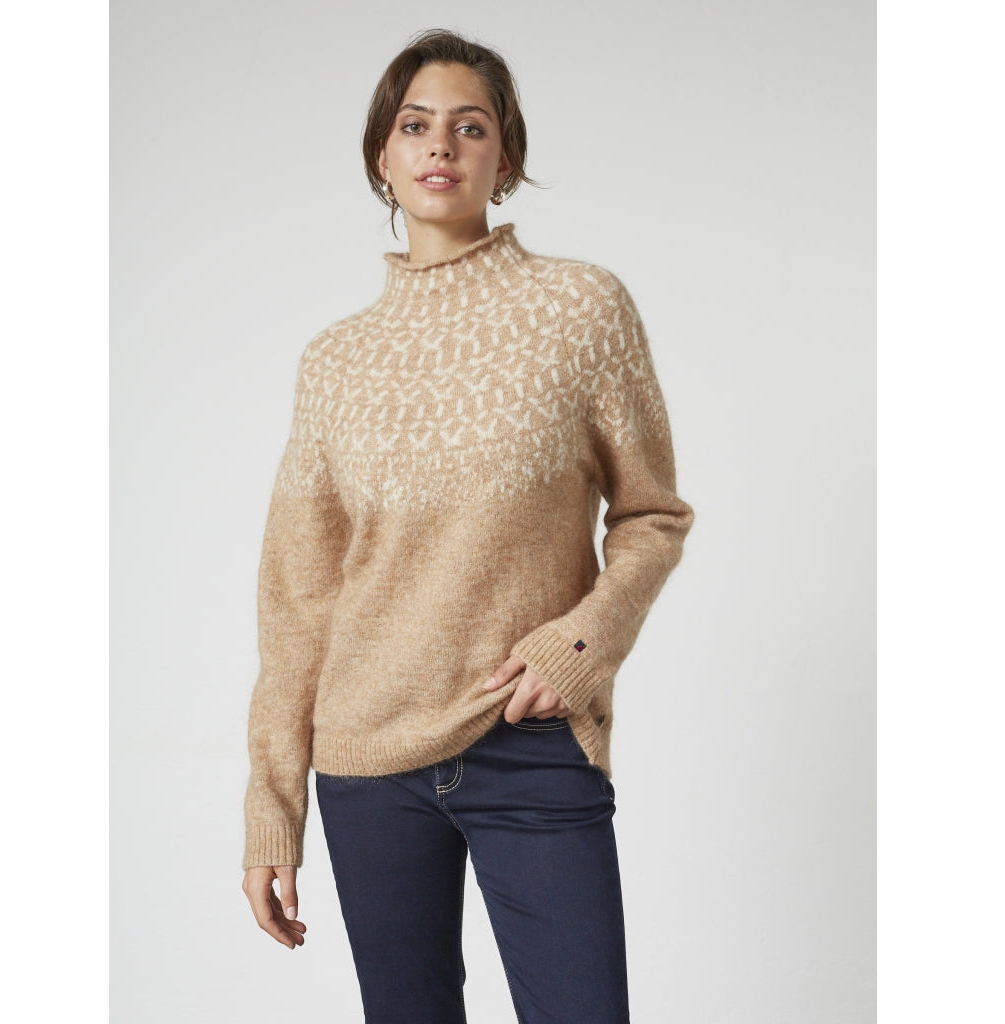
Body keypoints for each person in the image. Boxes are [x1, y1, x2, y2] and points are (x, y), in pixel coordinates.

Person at [241, 28, 695, 1024]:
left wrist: (581, 643)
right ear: (382, 157)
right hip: (366, 759)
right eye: (414, 126)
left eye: (470, 126)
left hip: (528, 738)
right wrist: (273, 811)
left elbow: (652, 515)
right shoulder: (335, 362)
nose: (440, 145)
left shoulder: (581, 308)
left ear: (506, 157)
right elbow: (298, 597)